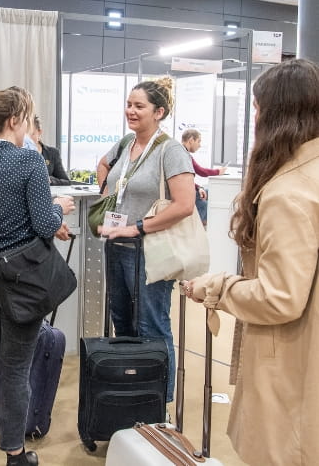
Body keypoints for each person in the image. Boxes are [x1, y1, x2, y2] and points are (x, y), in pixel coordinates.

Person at [182, 58, 319, 466]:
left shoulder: (289, 191)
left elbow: (280, 297)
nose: (254, 117)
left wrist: (219, 286)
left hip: (293, 361)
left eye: (257, 108)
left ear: (276, 112)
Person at [0, 87, 75, 466]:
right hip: (20, 281)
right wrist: (58, 206)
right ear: (14, 120)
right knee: (15, 368)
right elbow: (43, 224)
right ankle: (15, 453)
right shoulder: (29, 162)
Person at [96, 77, 195, 403]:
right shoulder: (126, 144)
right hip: (117, 248)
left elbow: (184, 204)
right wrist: (109, 202)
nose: (131, 111)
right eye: (129, 104)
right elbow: (103, 166)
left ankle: (158, 403)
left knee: (152, 325)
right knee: (122, 324)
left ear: (159, 111)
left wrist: (137, 226)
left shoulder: (171, 150)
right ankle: (130, 393)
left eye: (139, 106)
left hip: (150, 250)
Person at [181, 128, 227, 225]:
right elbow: (200, 171)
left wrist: (198, 187)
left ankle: (204, 223)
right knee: (204, 202)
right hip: (183, 192)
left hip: (187, 188)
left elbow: (184, 178)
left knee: (208, 191)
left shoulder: (183, 153)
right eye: (199, 141)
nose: (200, 145)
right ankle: (199, 226)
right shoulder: (182, 154)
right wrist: (218, 171)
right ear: (191, 140)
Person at [30, 115, 70, 185]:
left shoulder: (52, 153)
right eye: (25, 135)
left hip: (49, 195)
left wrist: (49, 179)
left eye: (32, 134)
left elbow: (66, 182)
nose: (28, 139)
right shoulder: (17, 154)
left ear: (39, 132)